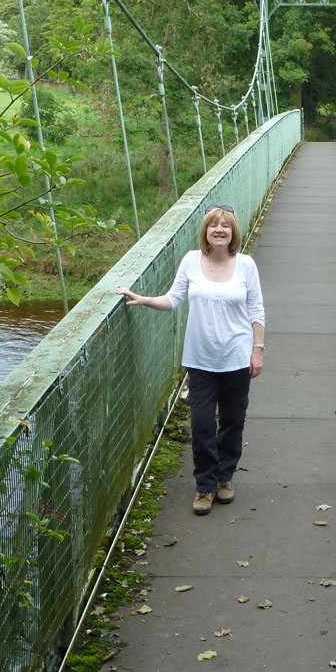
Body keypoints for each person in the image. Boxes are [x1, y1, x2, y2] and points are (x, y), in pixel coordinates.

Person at [116, 204, 265, 516]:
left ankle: (225, 477)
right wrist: (145, 300)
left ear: (233, 232)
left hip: (236, 357)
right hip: (200, 359)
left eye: (225, 225)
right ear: (206, 232)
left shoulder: (246, 265)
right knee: (200, 425)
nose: (219, 230)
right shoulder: (191, 261)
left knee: (233, 421)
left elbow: (256, 310)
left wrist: (257, 350)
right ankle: (205, 485)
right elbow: (173, 299)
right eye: (214, 225)